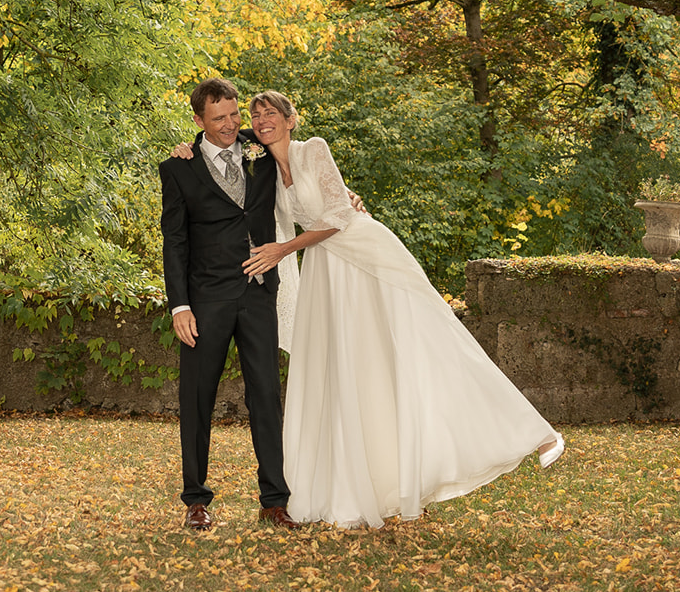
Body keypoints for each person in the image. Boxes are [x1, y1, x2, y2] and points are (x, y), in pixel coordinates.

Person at [177, 91, 563, 527]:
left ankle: (529, 431)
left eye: (269, 114)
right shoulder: (254, 160)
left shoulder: (304, 150)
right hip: (320, 271)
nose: (256, 121)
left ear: (291, 119)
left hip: (360, 254)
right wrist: (189, 150)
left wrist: (294, 241)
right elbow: (217, 160)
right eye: (254, 115)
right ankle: (351, 478)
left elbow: (338, 212)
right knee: (346, 371)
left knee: (425, 337)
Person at [159, 79, 297, 531]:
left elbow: (305, 185)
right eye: (219, 119)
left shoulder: (262, 153)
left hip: (259, 294)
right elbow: (175, 241)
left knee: (266, 397)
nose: (231, 125)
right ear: (198, 121)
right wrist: (180, 305)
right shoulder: (179, 168)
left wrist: (346, 200)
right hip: (206, 300)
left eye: (235, 115)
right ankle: (196, 500)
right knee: (197, 399)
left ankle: (274, 500)